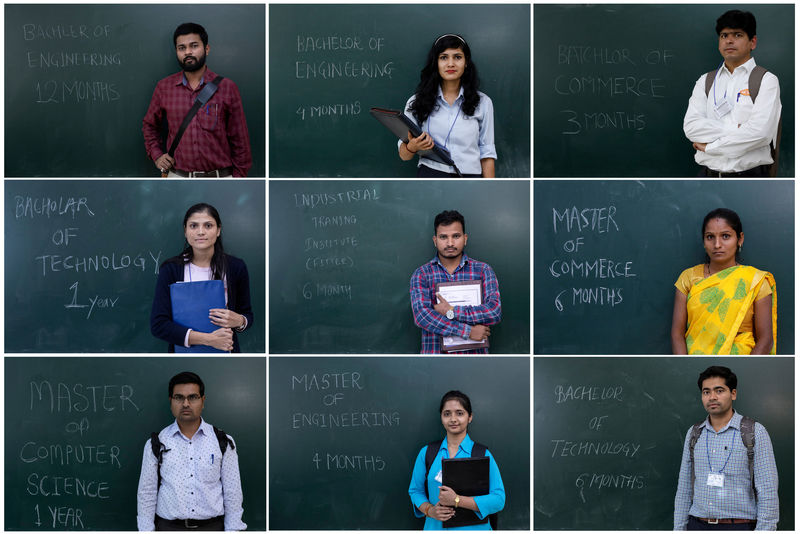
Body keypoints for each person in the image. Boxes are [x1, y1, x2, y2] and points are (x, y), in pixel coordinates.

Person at [136, 372, 247, 531]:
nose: (186, 403)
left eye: (193, 397)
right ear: (171, 401)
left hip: (212, 527)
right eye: (179, 397)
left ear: (203, 401)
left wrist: (233, 529)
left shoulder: (222, 441)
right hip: (168, 527)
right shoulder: (156, 443)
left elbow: (233, 492)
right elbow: (146, 493)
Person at [673, 366, 778, 530]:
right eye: (706, 392)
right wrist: (679, 529)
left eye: (719, 390)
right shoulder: (694, 434)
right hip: (696, 524)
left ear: (733, 394)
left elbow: (768, 491)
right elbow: (684, 489)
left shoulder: (754, 432)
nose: (712, 397)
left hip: (739, 526)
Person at [143, 22, 251, 177]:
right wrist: (157, 154)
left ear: (206, 49)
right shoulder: (164, 87)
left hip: (221, 176)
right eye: (182, 48)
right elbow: (149, 125)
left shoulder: (227, 87)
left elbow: (240, 140)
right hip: (177, 176)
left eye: (194, 46)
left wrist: (239, 178)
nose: (188, 52)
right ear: (176, 51)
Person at [683, 10, 781, 177]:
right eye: (724, 35)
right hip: (708, 175)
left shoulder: (766, 80)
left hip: (751, 176)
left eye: (737, 35)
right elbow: (691, 128)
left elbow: (760, 134)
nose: (729, 40)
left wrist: (710, 147)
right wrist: (737, 129)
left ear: (753, 42)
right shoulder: (705, 81)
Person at [670, 208, 776, 355]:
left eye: (725, 236)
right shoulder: (688, 278)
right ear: (703, 241)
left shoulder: (755, 281)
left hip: (742, 362)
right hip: (695, 360)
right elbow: (677, 335)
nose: (717, 244)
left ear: (740, 239)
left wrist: (746, 370)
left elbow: (765, 340)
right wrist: (686, 366)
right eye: (710, 237)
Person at [151, 203, 253, 352]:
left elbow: (247, 315)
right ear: (185, 231)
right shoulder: (171, 269)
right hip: (183, 353)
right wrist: (209, 340)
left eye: (208, 226)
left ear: (218, 230)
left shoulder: (236, 267)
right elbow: (158, 325)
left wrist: (239, 321)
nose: (200, 232)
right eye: (193, 226)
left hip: (226, 352)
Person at [398, 34, 496, 177]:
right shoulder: (417, 102)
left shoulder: (483, 103)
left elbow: (487, 154)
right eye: (443, 57)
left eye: (457, 57)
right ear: (436, 62)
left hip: (470, 179)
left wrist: (489, 190)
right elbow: (404, 156)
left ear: (466, 62)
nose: (450, 64)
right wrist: (412, 147)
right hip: (430, 176)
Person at [409, 391, 505, 530]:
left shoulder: (482, 454)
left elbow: (498, 499)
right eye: (447, 413)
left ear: (470, 417)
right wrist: (430, 510)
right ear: (441, 417)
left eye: (459, 413)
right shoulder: (427, 453)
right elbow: (415, 491)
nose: (453, 419)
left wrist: (457, 500)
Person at [410, 210, 501, 354]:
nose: (450, 243)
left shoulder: (483, 270)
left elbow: (493, 312)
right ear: (435, 240)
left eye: (456, 236)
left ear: (465, 238)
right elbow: (422, 316)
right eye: (443, 237)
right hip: (434, 360)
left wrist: (450, 311)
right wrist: (467, 331)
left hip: (475, 360)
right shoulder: (422, 274)